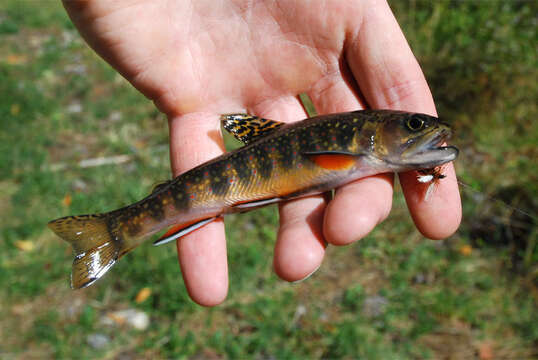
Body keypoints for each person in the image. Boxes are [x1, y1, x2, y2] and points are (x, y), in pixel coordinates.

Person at [62, 0, 461, 306]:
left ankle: (115, 230)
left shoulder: (359, 147)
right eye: (413, 126)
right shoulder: (353, 147)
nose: (427, 133)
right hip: (249, 174)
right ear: (371, 133)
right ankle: (112, 231)